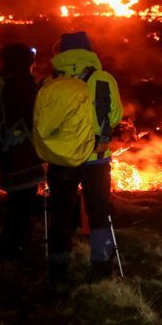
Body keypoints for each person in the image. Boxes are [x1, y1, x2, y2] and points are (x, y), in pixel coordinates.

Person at [40, 32, 123, 287]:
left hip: (62, 159)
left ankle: (57, 268)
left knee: (60, 212)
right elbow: (116, 114)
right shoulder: (103, 78)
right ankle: (101, 267)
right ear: (89, 50)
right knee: (99, 212)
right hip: (97, 159)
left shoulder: (50, 82)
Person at [0, 43, 45, 257]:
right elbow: (35, 120)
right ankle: (13, 247)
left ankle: (13, 244)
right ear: (26, 63)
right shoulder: (23, 87)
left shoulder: (2, 84)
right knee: (21, 203)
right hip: (22, 155)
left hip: (7, 154)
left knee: (17, 201)